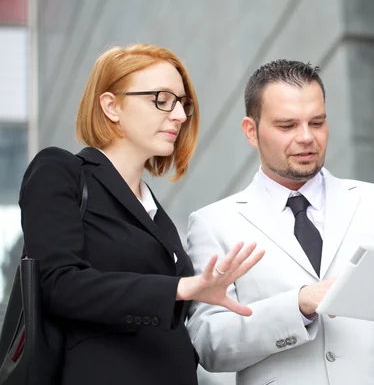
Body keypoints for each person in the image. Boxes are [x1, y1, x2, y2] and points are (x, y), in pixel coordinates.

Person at [186, 59, 374, 385]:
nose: (306, 138)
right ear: (251, 131)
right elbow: (210, 346)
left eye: (317, 122)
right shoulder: (214, 223)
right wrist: (297, 305)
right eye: (287, 126)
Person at [19, 43, 264, 385]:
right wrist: (179, 288)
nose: (178, 115)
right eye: (162, 99)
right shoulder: (60, 170)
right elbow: (58, 284)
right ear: (111, 106)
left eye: (182, 103)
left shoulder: (156, 214)